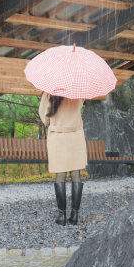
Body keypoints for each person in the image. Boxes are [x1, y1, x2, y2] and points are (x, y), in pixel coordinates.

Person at [39, 92, 87, 226]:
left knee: (60, 174)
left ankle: (62, 216)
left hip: (58, 136)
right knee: (76, 174)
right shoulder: (79, 91)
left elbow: (45, 117)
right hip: (76, 135)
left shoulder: (49, 92)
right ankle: (75, 215)